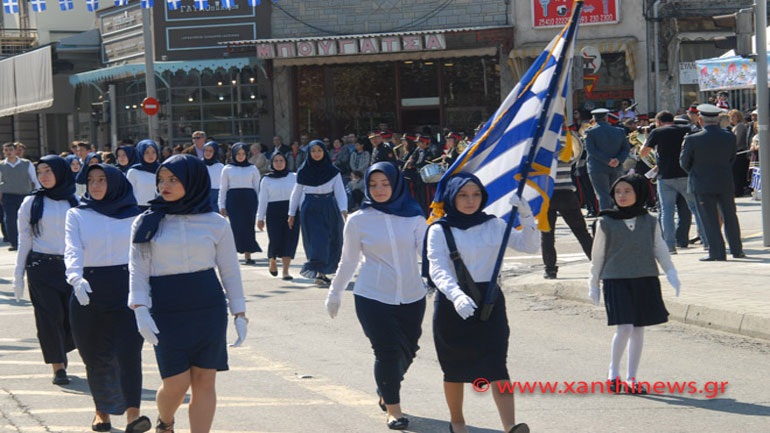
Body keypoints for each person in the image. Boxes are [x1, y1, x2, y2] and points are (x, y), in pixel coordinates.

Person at [128, 154, 248, 433]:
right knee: (176, 383)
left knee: (206, 380)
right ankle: (165, 422)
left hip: (207, 306)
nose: (164, 185)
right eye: (161, 179)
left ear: (193, 181)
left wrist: (239, 312)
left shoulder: (215, 222)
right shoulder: (146, 221)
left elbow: (230, 270)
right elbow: (138, 270)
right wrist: (140, 310)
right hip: (166, 307)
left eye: (173, 179)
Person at [425, 173, 538, 433]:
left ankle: (510, 426)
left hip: (490, 301)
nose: (470, 200)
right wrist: (456, 295)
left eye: (476, 194)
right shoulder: (439, 229)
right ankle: (457, 422)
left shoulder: (495, 224)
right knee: (454, 367)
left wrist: (526, 215)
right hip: (454, 304)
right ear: (452, 197)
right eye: (463, 195)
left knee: (497, 363)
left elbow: (529, 247)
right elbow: (438, 269)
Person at [325, 162, 426, 431]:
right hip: (372, 295)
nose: (379, 189)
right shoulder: (358, 220)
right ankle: (394, 410)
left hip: (413, 295)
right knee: (387, 352)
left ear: (396, 184)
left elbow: (427, 255)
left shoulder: (415, 216)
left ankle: (386, 387)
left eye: (385, 184)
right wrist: (335, 292)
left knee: (409, 349)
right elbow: (348, 261)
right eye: (373, 184)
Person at [64, 164, 150, 433]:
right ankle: (102, 412)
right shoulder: (77, 214)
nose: (96, 185)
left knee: (128, 354)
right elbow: (72, 249)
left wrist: (148, 291)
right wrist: (75, 277)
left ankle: (133, 416)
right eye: (91, 180)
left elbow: (145, 254)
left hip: (128, 287)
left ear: (115, 183)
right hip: (89, 288)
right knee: (96, 355)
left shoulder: (136, 215)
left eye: (102, 180)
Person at [588, 173, 680, 394]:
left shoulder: (650, 221)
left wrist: (671, 272)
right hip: (615, 279)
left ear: (638, 193)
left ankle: (632, 378)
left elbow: (659, 248)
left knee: (639, 328)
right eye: (618, 192)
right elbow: (597, 255)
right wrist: (593, 283)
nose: (622, 195)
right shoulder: (605, 221)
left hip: (645, 277)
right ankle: (613, 374)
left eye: (627, 191)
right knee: (625, 326)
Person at [12, 155, 79, 385]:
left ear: (60, 172)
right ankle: (58, 366)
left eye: (49, 171)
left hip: (71, 268)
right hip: (41, 267)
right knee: (50, 318)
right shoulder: (31, 203)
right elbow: (24, 240)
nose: (44, 176)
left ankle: (62, 348)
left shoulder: (75, 201)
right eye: (40, 172)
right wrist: (18, 276)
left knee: (73, 318)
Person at [680, 104, 745, 261]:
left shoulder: (692, 138)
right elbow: (732, 159)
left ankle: (717, 252)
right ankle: (737, 250)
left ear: (701, 120)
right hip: (724, 180)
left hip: (702, 183)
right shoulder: (729, 136)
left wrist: (696, 172)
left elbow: (684, 163)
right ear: (717, 120)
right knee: (730, 216)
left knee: (709, 219)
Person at [640, 110, 706, 254]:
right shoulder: (686, 129)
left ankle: (670, 246)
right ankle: (707, 242)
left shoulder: (657, 132)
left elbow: (643, 152)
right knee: (696, 209)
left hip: (665, 177)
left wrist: (647, 137)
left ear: (658, 122)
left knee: (667, 212)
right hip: (685, 175)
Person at [288, 139, 347, 286]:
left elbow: (340, 192)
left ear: (324, 152)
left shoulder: (333, 171)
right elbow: (296, 193)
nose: (316, 154)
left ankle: (326, 271)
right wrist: (291, 213)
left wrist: (343, 209)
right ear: (309, 152)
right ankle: (319, 273)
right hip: (310, 208)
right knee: (317, 241)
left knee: (332, 239)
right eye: (313, 151)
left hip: (329, 206)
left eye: (319, 150)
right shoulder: (303, 171)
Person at [541, 149, 593, 279]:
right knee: (582, 232)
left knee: (547, 235)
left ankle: (550, 269)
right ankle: (598, 263)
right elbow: (576, 156)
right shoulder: (567, 150)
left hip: (546, 196)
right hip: (566, 194)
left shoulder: (540, 153)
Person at [257, 153, 300, 280]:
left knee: (290, 239)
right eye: (276, 160)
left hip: (291, 211)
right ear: (272, 163)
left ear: (286, 162)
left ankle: (285, 271)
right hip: (273, 211)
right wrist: (260, 218)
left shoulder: (294, 177)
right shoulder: (266, 179)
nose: (279, 163)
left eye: (281, 160)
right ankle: (272, 260)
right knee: (275, 238)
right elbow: (263, 199)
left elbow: (299, 195)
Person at [219, 142, 262, 265]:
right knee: (236, 227)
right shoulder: (227, 168)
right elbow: (223, 188)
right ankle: (233, 254)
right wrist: (221, 205)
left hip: (249, 199)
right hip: (234, 199)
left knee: (248, 227)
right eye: (238, 153)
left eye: (243, 153)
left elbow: (257, 187)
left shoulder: (252, 168)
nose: (241, 156)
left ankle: (248, 255)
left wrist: (261, 205)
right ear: (233, 154)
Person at [584, 108, 630, 210]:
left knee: (603, 195)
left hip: (597, 168)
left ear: (594, 119)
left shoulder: (590, 132)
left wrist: (607, 160)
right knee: (617, 194)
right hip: (617, 167)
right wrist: (618, 160)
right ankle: (619, 217)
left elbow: (591, 150)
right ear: (607, 118)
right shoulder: (619, 131)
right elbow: (626, 149)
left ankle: (606, 219)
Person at [0, 142, 41, 250]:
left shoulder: (26, 163)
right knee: (10, 220)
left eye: (10, 150)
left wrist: (37, 194)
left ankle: (29, 241)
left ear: (15, 151)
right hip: (8, 196)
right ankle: (14, 243)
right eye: (6, 150)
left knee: (27, 219)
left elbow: (34, 179)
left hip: (24, 195)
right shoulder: (1, 165)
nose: (8, 152)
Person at [127, 140, 161, 210]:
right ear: (141, 153)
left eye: (153, 152)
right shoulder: (134, 171)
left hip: (158, 207)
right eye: (147, 152)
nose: (150, 155)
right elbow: (129, 193)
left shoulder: (162, 169)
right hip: (139, 208)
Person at [202, 141, 224, 211]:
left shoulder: (220, 166)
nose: (207, 153)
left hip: (216, 196)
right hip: (202, 194)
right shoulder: (198, 164)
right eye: (206, 150)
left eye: (210, 151)